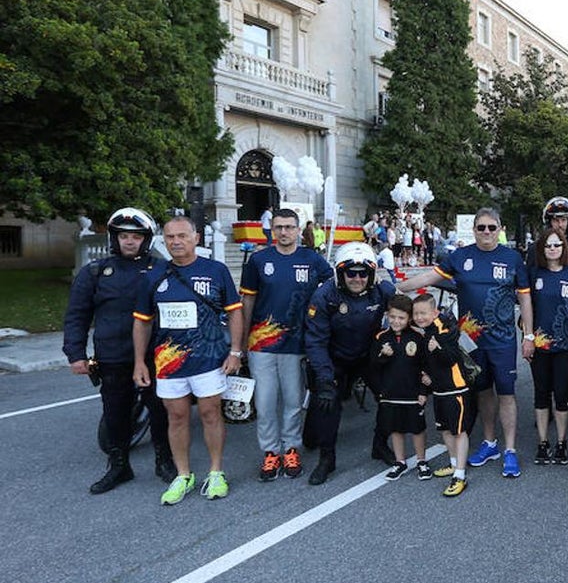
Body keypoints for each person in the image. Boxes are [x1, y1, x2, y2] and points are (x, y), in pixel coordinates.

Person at [398, 208, 534, 479]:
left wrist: (528, 335)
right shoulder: (460, 256)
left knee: (506, 393)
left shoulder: (513, 258)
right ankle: (490, 443)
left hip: (503, 340)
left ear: (500, 228)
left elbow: (525, 299)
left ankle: (510, 450)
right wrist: (398, 287)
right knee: (482, 391)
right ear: (473, 229)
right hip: (470, 342)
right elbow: (430, 277)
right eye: (481, 227)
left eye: (491, 227)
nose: (486, 232)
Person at [132, 216, 244, 505]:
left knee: (210, 414)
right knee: (177, 417)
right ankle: (183, 475)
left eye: (182, 235)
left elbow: (234, 311)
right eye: (170, 237)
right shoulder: (153, 275)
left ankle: (216, 471)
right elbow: (142, 322)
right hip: (169, 363)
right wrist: (139, 362)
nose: (176, 242)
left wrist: (235, 351)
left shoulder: (215, 271)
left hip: (208, 359)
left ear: (196, 238)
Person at [64, 207, 175, 494]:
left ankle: (165, 461)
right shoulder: (95, 272)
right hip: (112, 355)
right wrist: (75, 354)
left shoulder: (163, 269)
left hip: (156, 355)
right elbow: (77, 314)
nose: (129, 241)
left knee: (160, 410)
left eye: (136, 236)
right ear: (115, 238)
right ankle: (119, 466)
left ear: (146, 239)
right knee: (115, 412)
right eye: (123, 236)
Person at [241, 208, 333, 483]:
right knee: (266, 401)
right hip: (262, 343)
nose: (284, 232)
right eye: (279, 227)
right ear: (271, 229)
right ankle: (271, 451)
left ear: (298, 229)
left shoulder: (312, 259)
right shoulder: (258, 261)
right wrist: (242, 341)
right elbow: (247, 302)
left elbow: (331, 287)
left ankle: (291, 448)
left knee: (293, 400)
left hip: (297, 343)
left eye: (289, 227)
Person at [303, 242, 395, 485]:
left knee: (391, 395)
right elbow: (315, 340)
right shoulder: (324, 295)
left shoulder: (383, 291)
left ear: (371, 274)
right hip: (333, 357)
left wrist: (439, 325)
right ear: (340, 273)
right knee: (326, 400)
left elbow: (406, 316)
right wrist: (324, 376)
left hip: (367, 356)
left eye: (363, 273)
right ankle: (327, 458)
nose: (357, 278)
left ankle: (380, 445)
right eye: (350, 273)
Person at [528, 233, 568, 465]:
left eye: (557, 245)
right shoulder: (534, 275)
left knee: (562, 395)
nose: (552, 248)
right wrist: (528, 338)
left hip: (565, 346)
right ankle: (543, 443)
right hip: (540, 346)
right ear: (541, 249)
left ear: (563, 248)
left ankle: (562, 442)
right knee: (541, 395)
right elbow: (527, 309)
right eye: (548, 245)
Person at [412, 294, 473, 496]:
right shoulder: (426, 330)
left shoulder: (444, 328)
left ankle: (460, 475)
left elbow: (452, 357)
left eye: (423, 313)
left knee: (459, 431)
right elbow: (427, 363)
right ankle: (454, 463)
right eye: (416, 314)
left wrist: (437, 349)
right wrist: (427, 383)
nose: (419, 317)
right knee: (445, 429)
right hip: (439, 390)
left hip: (455, 388)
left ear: (435, 312)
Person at [365, 295, 431, 481]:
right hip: (390, 393)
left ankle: (422, 460)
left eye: (401, 318)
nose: (396, 321)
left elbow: (425, 366)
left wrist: (423, 391)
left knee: (417, 429)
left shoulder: (418, 336)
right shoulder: (380, 337)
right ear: (387, 315)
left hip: (413, 393)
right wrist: (383, 356)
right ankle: (400, 461)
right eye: (392, 317)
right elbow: (373, 366)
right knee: (395, 428)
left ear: (409, 318)